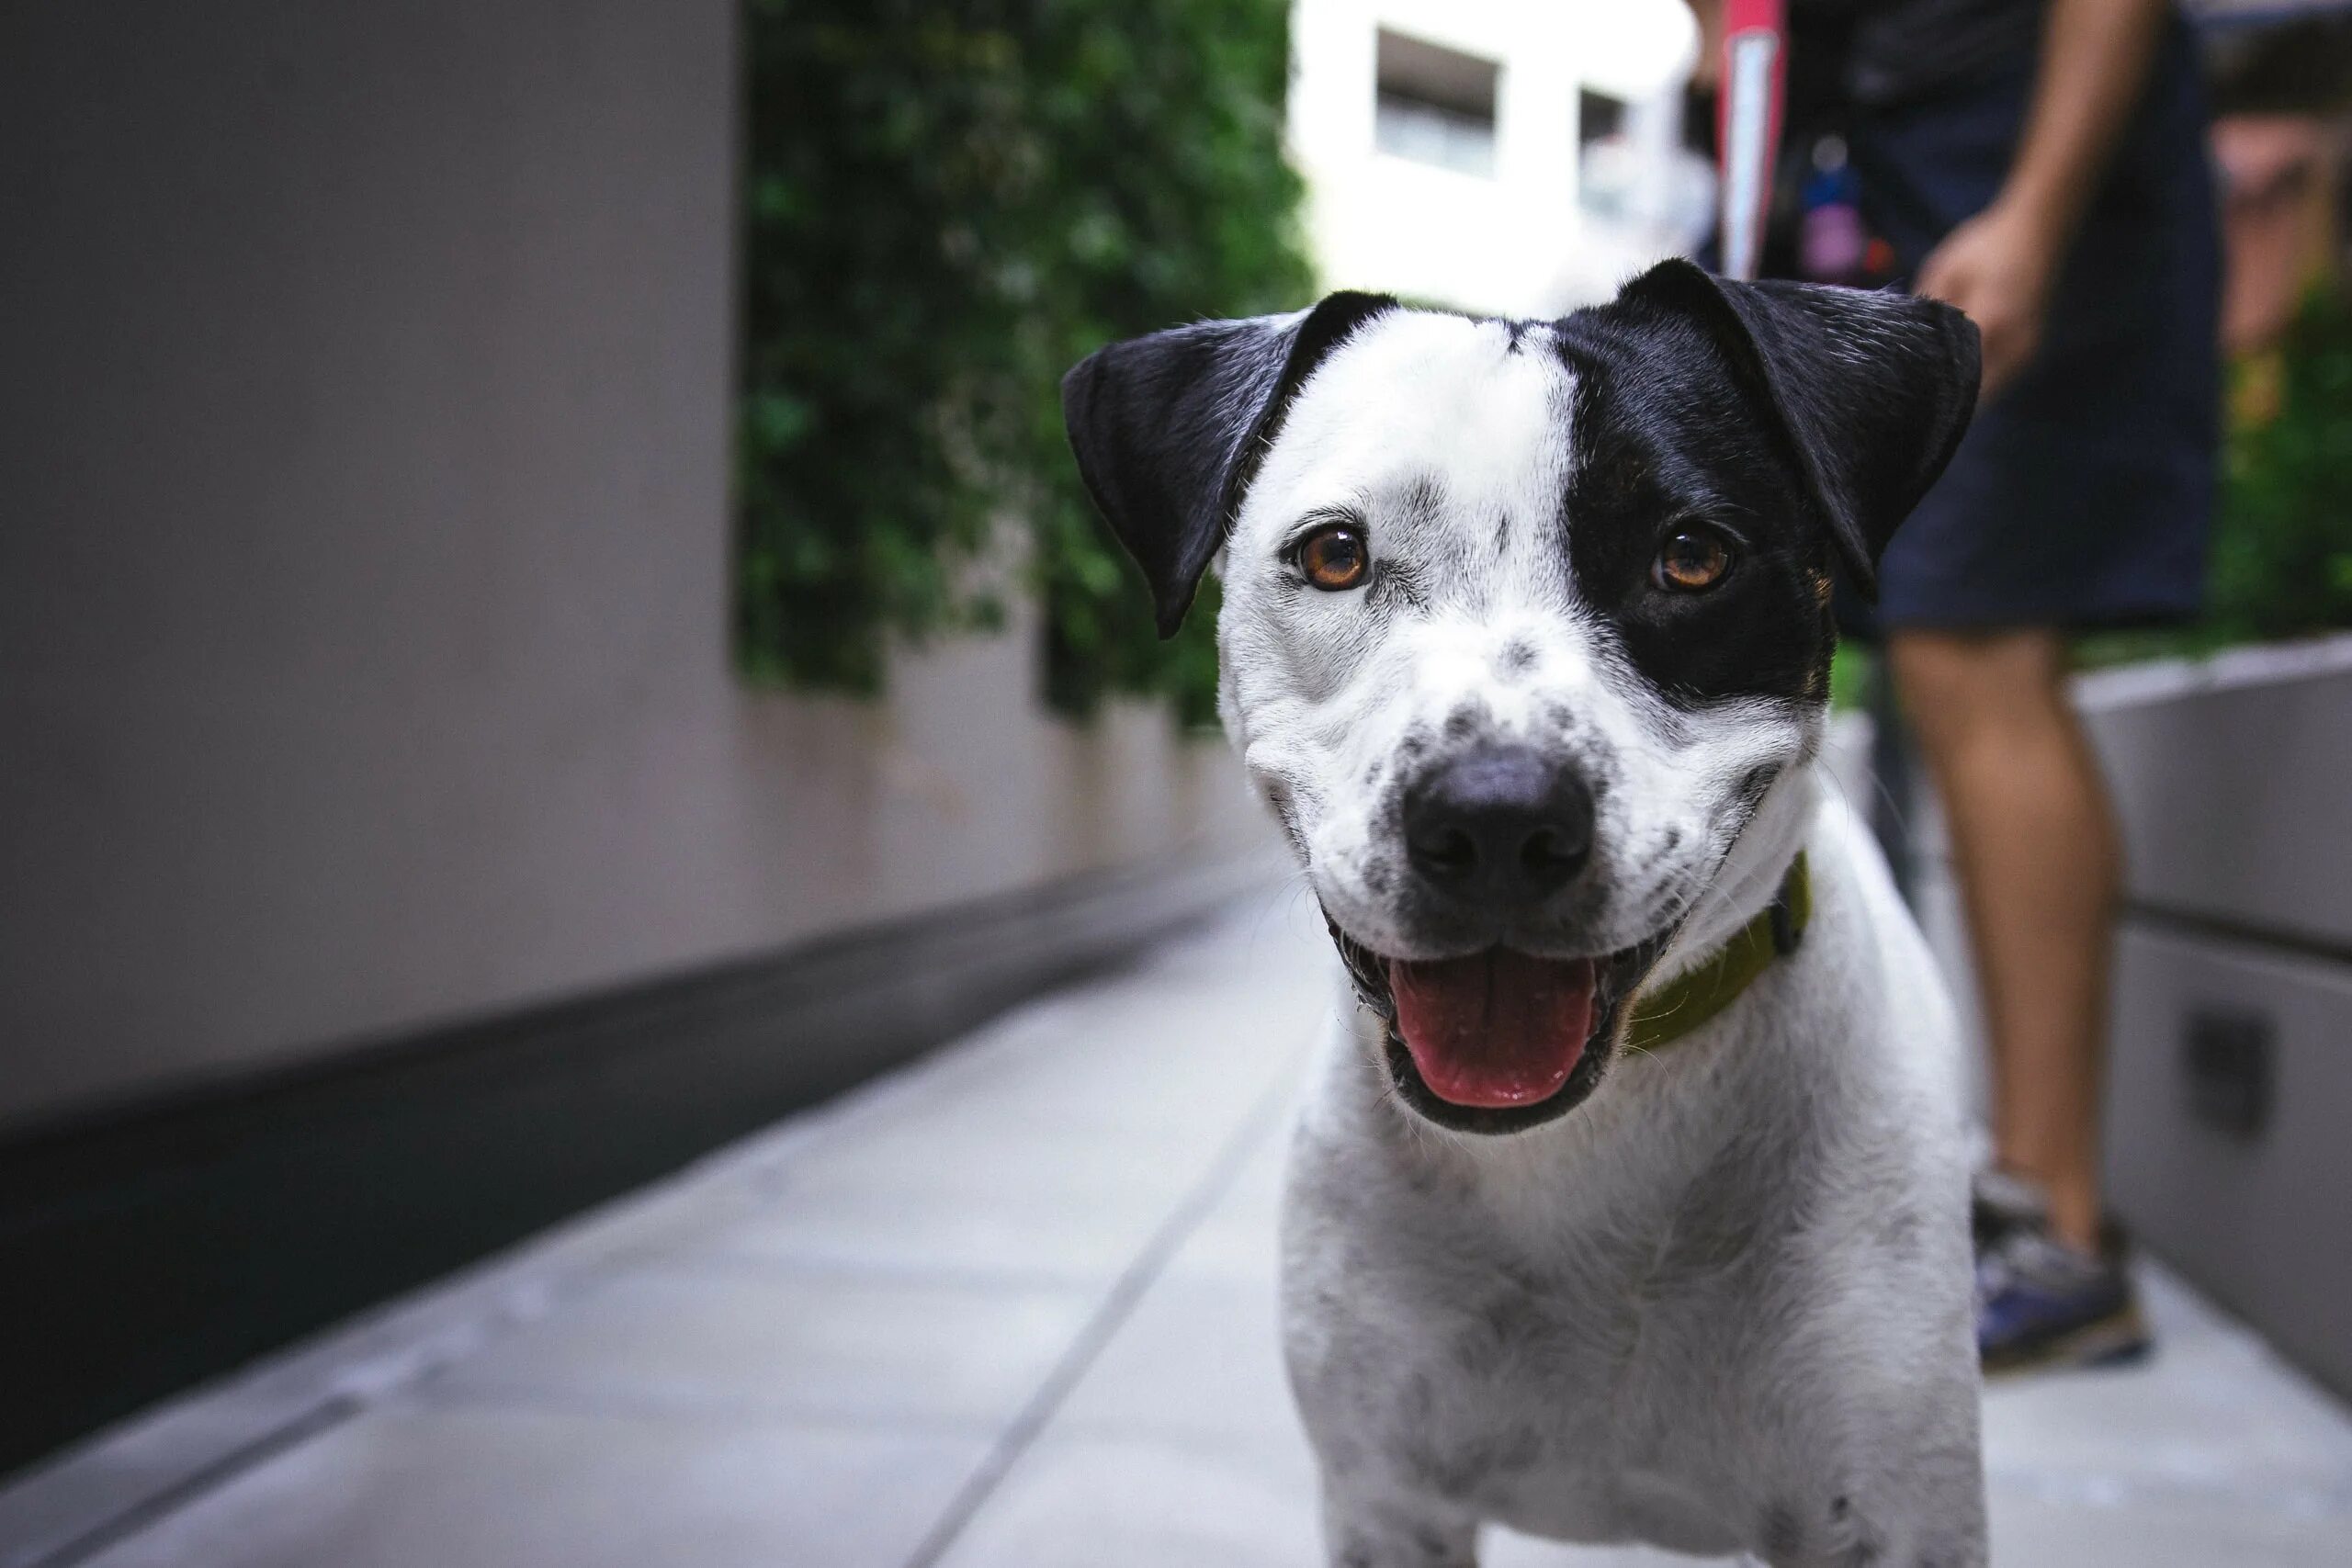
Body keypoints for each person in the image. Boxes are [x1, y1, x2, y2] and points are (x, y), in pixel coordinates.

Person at [1691, 0, 2222, 1372]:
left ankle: (2060, 1232)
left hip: (2024, 151)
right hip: (1869, 149)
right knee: (1875, 635)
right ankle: (1981, 1197)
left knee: (1974, 644)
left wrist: (2038, 212)